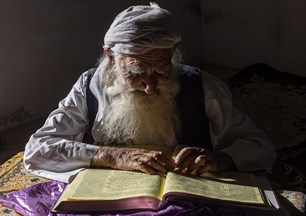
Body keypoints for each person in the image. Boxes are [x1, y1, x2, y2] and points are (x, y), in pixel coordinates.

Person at [24, 3, 276, 183]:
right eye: (137, 72)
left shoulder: (204, 87)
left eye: (162, 70)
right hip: (108, 189)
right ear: (111, 56)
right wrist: (110, 155)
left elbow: (258, 145)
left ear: (173, 53)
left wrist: (219, 159)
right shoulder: (90, 85)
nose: (150, 86)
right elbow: (39, 147)